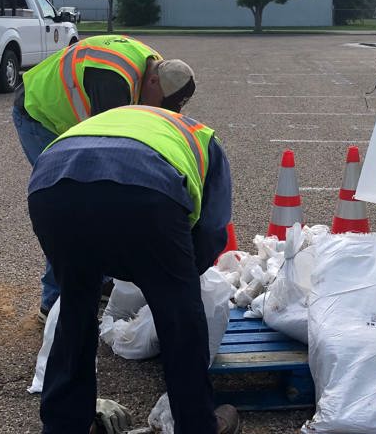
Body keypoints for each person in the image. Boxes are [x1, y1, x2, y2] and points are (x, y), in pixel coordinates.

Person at [27, 105, 240, 434]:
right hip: (145, 189)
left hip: (51, 186)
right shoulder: (206, 141)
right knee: (180, 319)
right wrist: (179, 278)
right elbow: (212, 230)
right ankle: (197, 424)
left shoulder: (129, 121)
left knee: (76, 305)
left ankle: (63, 424)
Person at [12, 34, 196, 320]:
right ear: (153, 82)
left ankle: (101, 279)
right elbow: (109, 154)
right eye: (159, 103)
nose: (157, 112)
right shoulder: (112, 80)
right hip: (39, 114)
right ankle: (55, 301)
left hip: (70, 116)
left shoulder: (156, 66)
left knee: (99, 204)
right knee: (72, 203)